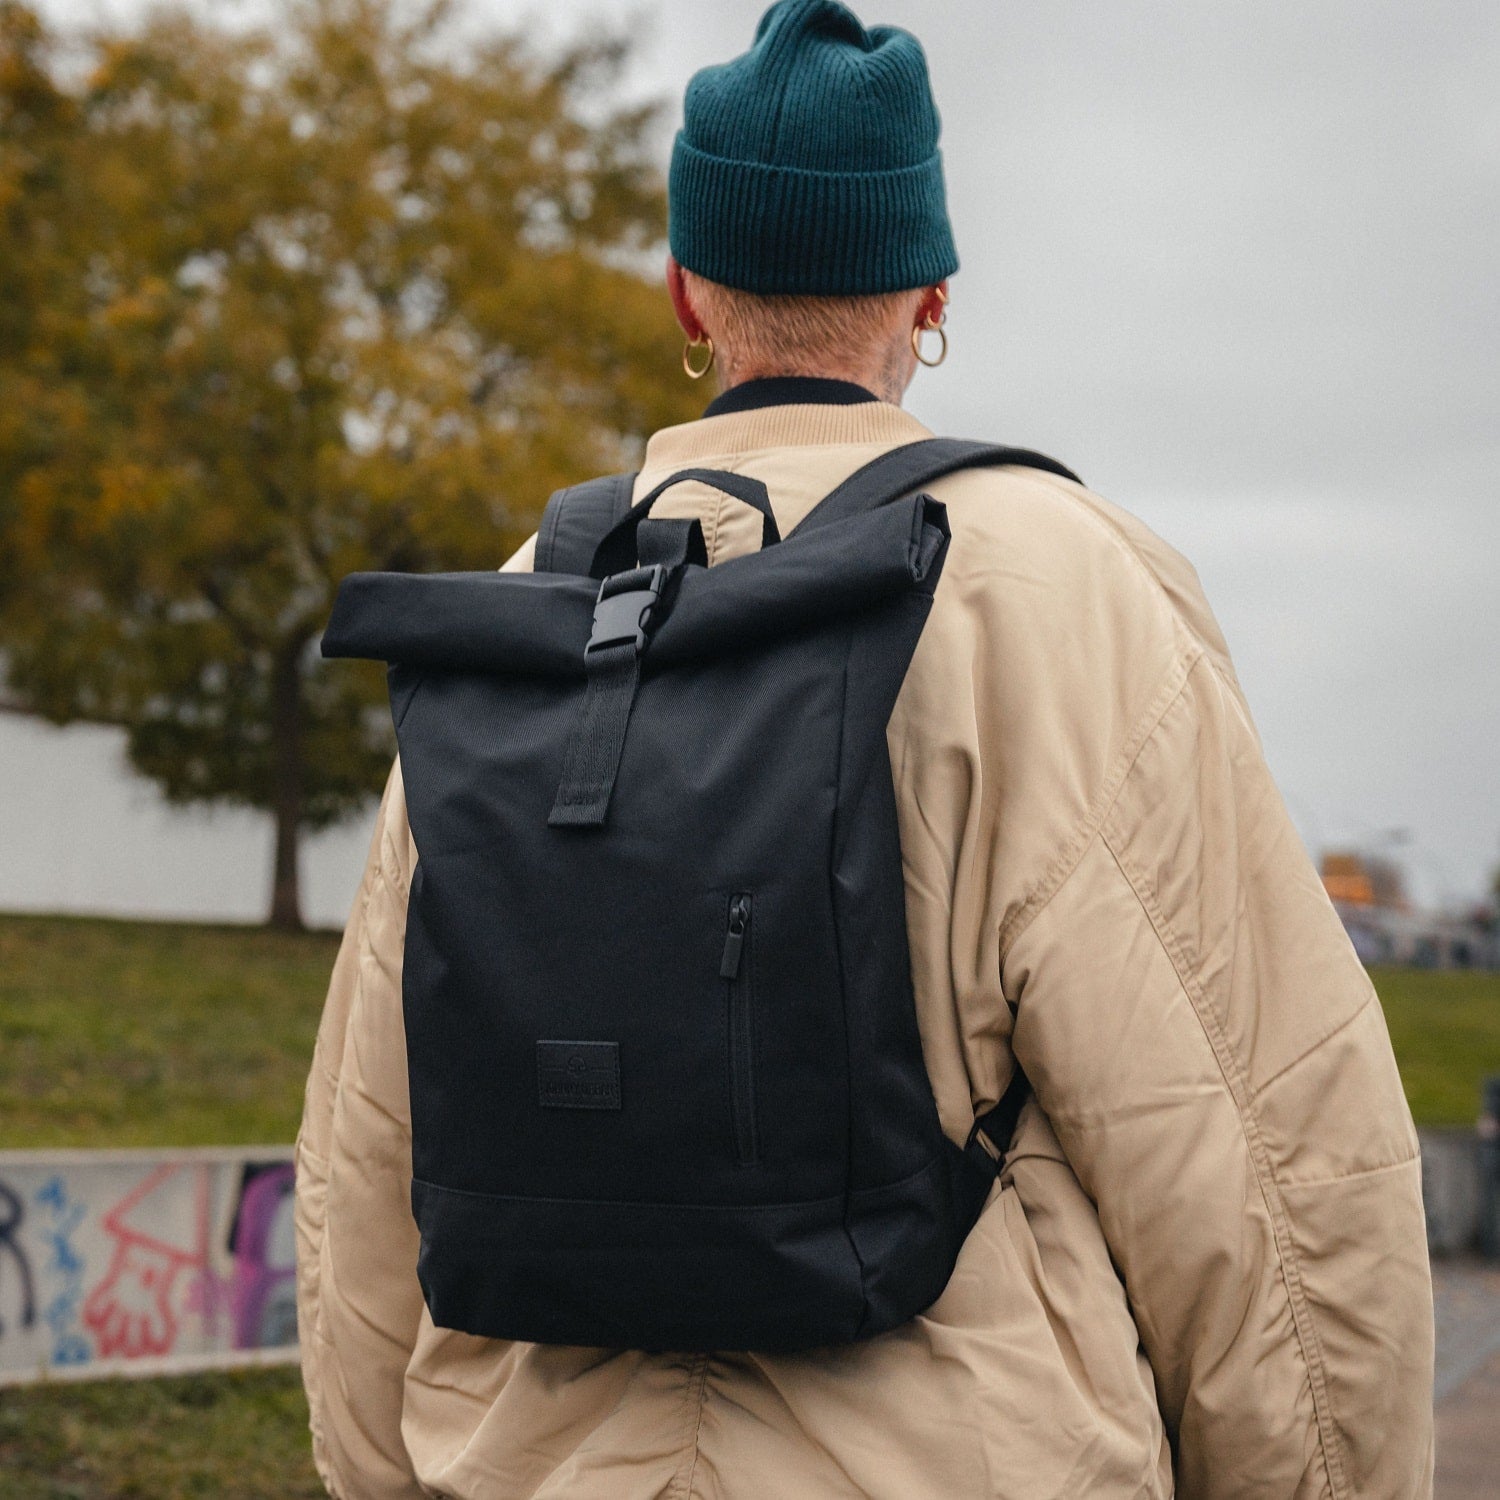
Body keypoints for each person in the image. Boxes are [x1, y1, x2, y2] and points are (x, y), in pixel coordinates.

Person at [295, 2, 1434, 1495]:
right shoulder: (1064, 592)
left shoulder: (528, 608)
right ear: (930, 290)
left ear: (688, 294)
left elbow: (368, 1156)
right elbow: (1268, 1169)